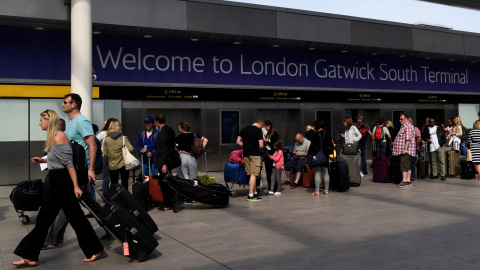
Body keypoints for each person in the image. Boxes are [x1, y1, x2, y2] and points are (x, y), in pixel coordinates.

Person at [11, 109, 105, 267]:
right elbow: (58, 161)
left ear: (49, 121)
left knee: (73, 218)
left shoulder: (59, 136)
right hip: (56, 181)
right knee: (47, 220)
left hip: (63, 183)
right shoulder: (52, 137)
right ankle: (30, 256)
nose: (39, 122)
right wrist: (42, 160)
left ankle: (94, 249)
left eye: (41, 120)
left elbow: (69, 164)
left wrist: (76, 186)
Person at [43, 94, 110, 249]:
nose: (62, 105)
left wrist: (91, 169)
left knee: (71, 205)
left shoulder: (82, 121)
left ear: (73, 104)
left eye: (65, 102)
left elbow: (92, 146)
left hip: (81, 171)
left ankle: (54, 239)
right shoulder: (71, 121)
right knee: (83, 204)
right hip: (75, 169)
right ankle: (111, 226)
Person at [153, 113, 177, 210]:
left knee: (164, 183)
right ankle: (169, 201)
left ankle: (168, 204)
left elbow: (165, 149)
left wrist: (164, 164)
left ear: (157, 122)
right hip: (168, 160)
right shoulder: (170, 130)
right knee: (166, 182)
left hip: (164, 162)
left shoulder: (163, 133)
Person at [236, 119, 264, 201]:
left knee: (251, 174)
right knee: (254, 174)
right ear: (261, 124)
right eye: (262, 127)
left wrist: (245, 146)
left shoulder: (244, 129)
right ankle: (250, 195)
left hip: (246, 154)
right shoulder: (258, 131)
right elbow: (261, 145)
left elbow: (238, 141)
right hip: (255, 154)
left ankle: (254, 193)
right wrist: (256, 147)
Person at [103, 120, 134, 189]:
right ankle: (125, 198)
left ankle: (115, 198)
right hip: (123, 164)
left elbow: (105, 155)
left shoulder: (107, 139)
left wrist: (106, 166)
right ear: (118, 127)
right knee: (125, 183)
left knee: (114, 184)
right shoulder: (123, 138)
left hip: (112, 165)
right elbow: (131, 148)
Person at [308, 120, 333, 196]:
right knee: (325, 173)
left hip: (317, 156)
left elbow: (311, 147)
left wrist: (310, 154)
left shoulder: (315, 135)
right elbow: (331, 146)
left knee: (317, 173)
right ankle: (326, 190)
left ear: (316, 126)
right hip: (325, 156)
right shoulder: (327, 134)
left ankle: (317, 191)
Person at [393, 114, 416, 188]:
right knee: (407, 166)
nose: (400, 120)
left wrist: (405, 148)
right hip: (404, 150)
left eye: (401, 119)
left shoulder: (408, 126)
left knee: (404, 165)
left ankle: (404, 181)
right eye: (400, 119)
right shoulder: (404, 126)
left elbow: (408, 139)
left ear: (406, 119)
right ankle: (408, 180)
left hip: (406, 150)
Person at [97, 118, 117, 195]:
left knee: (111, 179)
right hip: (105, 157)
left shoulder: (112, 133)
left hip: (112, 158)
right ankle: (105, 196)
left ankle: (110, 195)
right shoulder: (103, 133)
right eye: (104, 124)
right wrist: (100, 150)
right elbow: (95, 141)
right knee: (107, 179)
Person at [263, 118, 280, 193]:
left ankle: (275, 187)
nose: (265, 128)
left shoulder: (274, 134)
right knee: (268, 172)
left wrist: (266, 141)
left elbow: (275, 144)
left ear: (269, 125)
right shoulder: (267, 134)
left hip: (273, 155)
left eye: (266, 127)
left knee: (273, 172)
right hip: (267, 155)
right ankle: (270, 187)